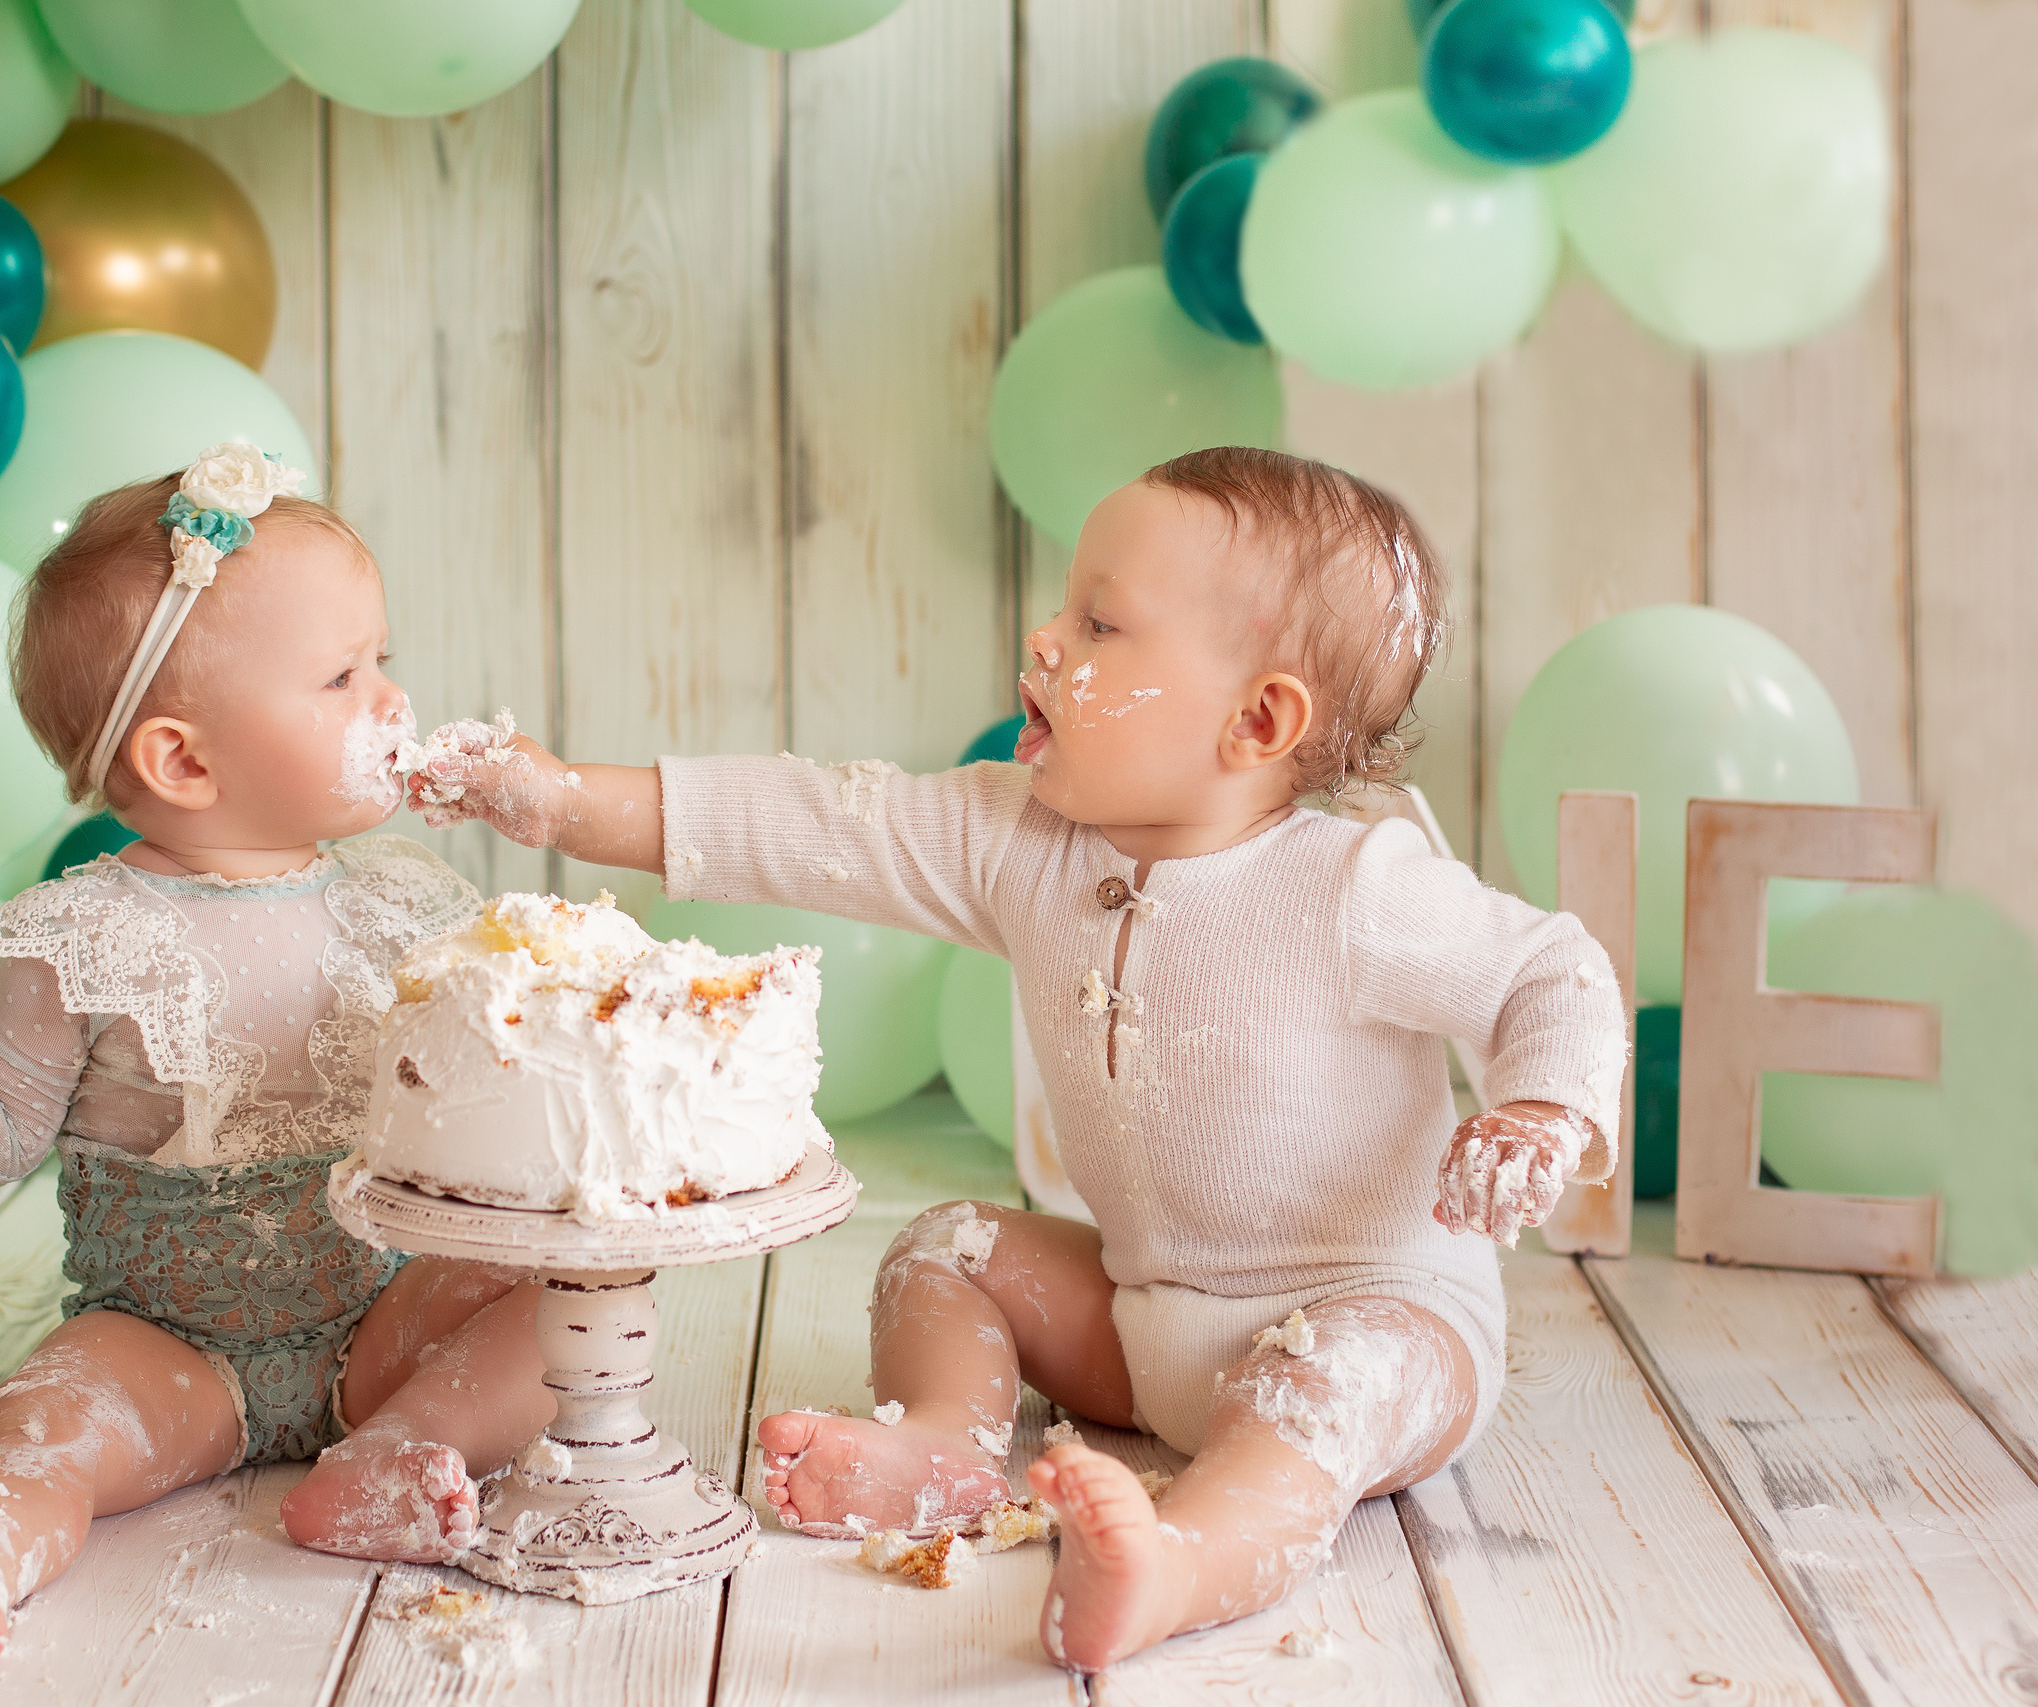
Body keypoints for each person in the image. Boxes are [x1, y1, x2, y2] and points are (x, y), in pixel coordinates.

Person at [412, 446, 1627, 1673]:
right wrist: (562, 800)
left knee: (1333, 1384)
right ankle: (945, 1438)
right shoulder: (1019, 840)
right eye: (1064, 607)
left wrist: (1536, 1110)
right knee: (947, 1247)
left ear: (1256, 720)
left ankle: (1182, 1564)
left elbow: (1552, 970)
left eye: (1099, 624)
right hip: (1144, 1327)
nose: (1046, 639)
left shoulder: (1353, 888)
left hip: (1383, 1315)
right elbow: (820, 820)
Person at [0, 444, 553, 1668]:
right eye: (344, 677)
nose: (393, 704)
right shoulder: (86, 936)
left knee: (575, 1305)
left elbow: (486, 1099)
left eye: (381, 661)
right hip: (168, 1341)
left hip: (383, 1314)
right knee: (43, 1427)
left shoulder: (405, 902)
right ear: (184, 760)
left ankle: (387, 1454)